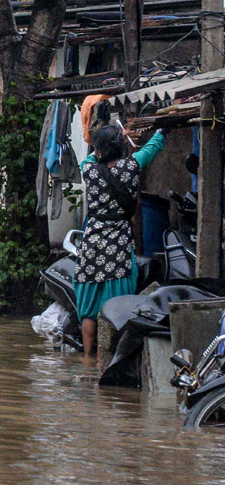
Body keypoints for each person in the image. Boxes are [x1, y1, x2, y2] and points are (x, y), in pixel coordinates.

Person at [74, 124, 166, 354]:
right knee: (118, 298)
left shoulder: (89, 170)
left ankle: (87, 359)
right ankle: (111, 355)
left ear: (99, 150)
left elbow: (90, 157)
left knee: (88, 307)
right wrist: (163, 130)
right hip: (119, 241)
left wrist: (108, 144)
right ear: (120, 147)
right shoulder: (131, 166)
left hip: (93, 240)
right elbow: (153, 147)